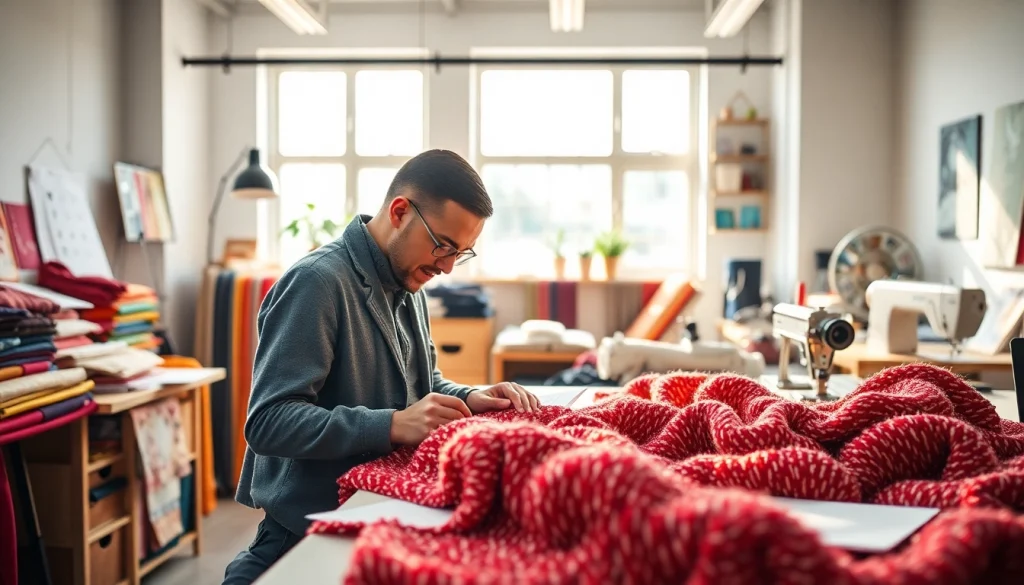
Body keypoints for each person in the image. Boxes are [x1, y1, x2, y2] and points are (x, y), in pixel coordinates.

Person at [223, 149, 540, 584]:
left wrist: (471, 396)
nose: (447, 266)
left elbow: (422, 384)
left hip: (374, 510)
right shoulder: (316, 283)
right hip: (301, 534)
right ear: (399, 211)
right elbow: (268, 423)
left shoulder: (411, 285)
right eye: (443, 245)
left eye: (461, 253)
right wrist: (390, 425)